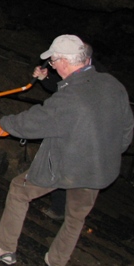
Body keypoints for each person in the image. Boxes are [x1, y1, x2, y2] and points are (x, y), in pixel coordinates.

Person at [0, 34, 134, 266]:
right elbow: (127, 130)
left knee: (20, 191)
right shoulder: (114, 85)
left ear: (64, 61)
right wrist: (107, 153)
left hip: (66, 165)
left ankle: (5, 247)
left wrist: (2, 123)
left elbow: (37, 121)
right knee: (75, 217)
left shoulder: (71, 96)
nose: (51, 66)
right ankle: (56, 263)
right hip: (99, 169)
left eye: (52, 62)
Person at [32, 42, 102, 221]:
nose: (53, 65)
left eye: (56, 60)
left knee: (71, 172)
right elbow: (60, 87)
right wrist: (45, 79)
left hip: (87, 137)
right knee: (62, 166)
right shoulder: (78, 75)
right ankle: (61, 210)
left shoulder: (95, 80)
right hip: (74, 136)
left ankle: (70, 212)